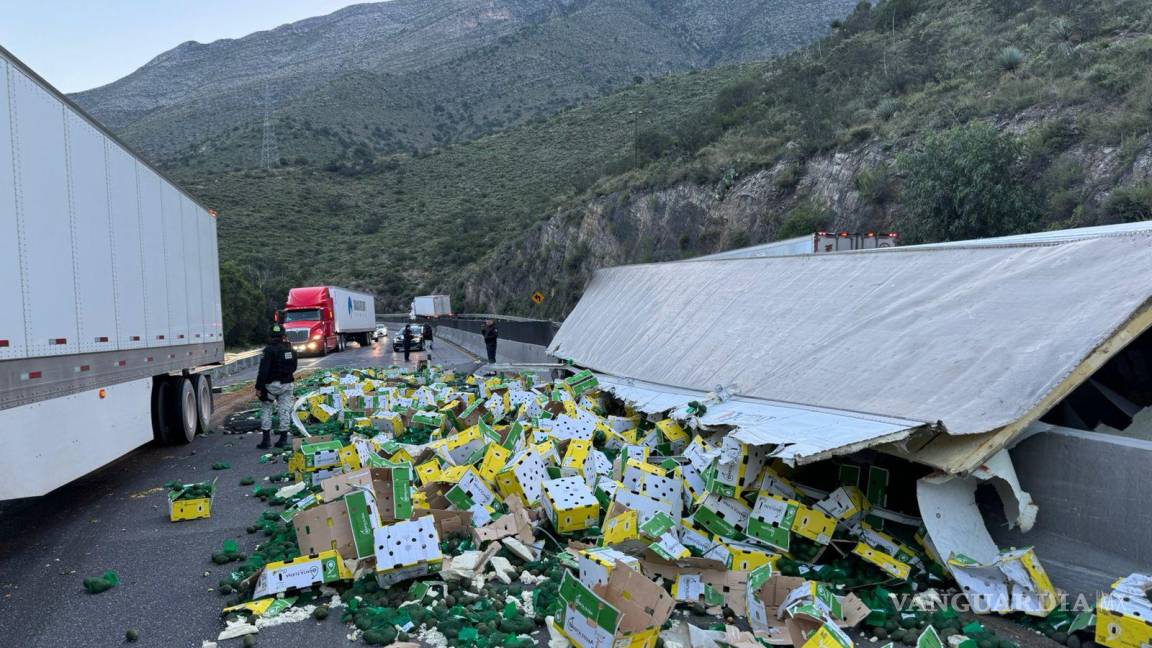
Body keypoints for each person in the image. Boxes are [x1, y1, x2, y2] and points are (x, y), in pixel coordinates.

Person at [256, 324, 298, 449]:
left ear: (271, 336)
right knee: (284, 410)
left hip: (270, 386)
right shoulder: (290, 350)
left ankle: (266, 440)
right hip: (287, 385)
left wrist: (258, 387)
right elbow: (294, 367)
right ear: (283, 335)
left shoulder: (268, 350)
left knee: (266, 410)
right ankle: (283, 439)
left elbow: (263, 370)